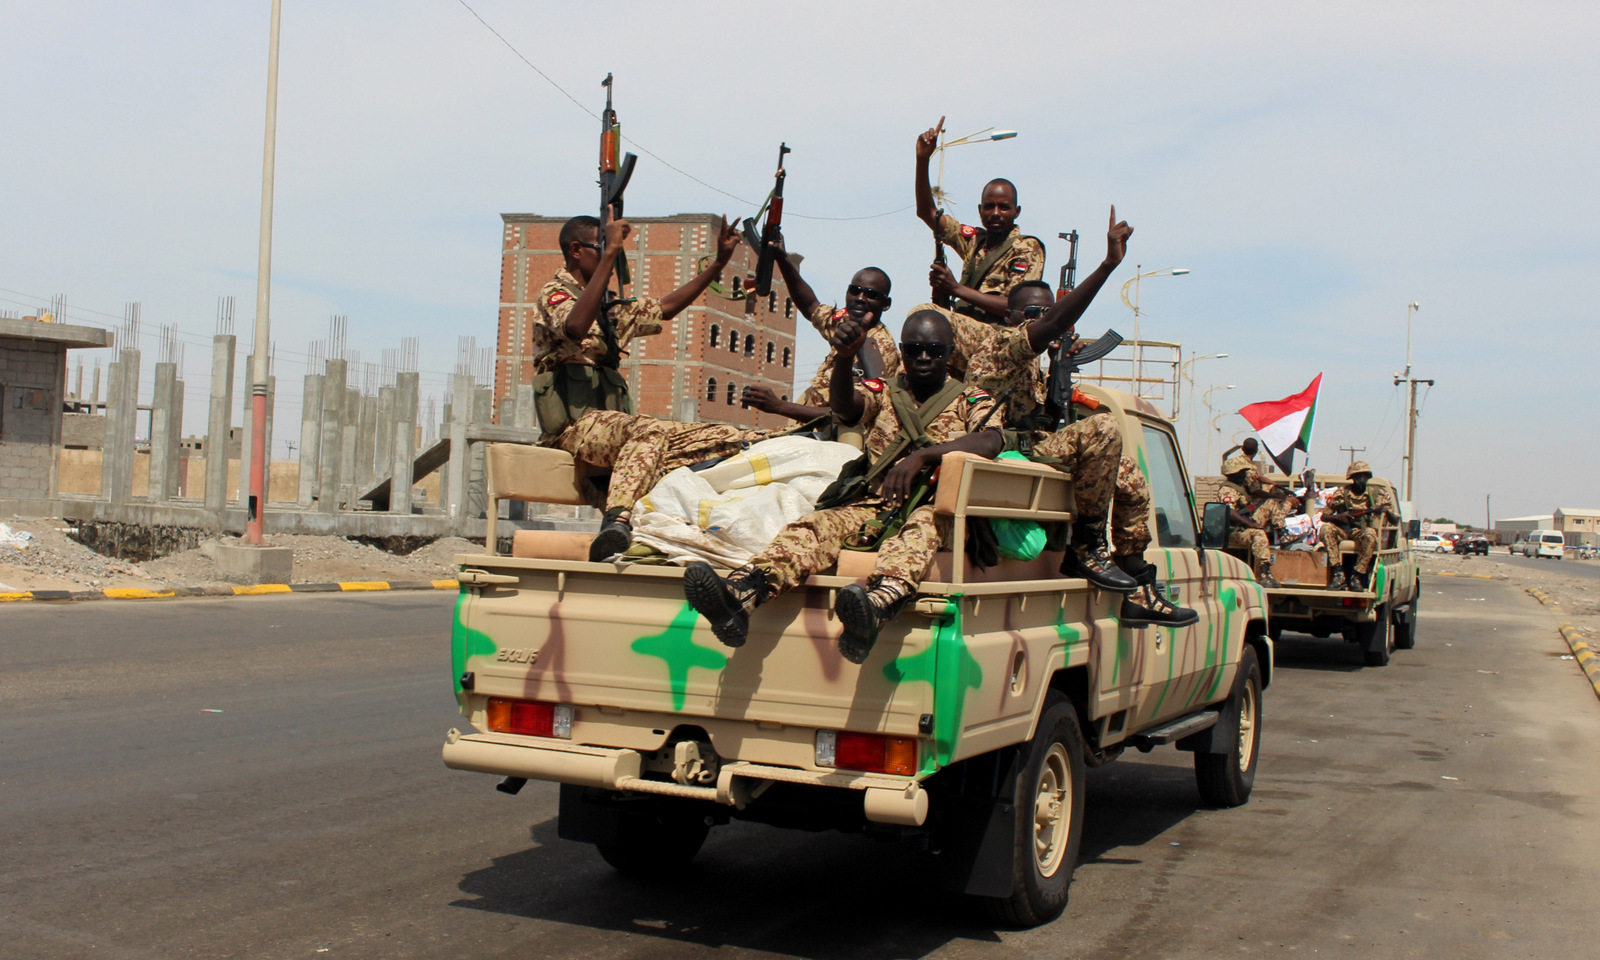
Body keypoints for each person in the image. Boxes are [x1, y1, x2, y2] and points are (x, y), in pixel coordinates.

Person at [684, 309, 1003, 664]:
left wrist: (925, 456)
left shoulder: (971, 400)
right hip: (877, 503)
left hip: (937, 508)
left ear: (949, 352)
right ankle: (743, 593)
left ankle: (878, 606)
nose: (924, 358)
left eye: (934, 350)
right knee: (814, 527)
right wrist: (845, 358)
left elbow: (991, 441)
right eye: (913, 350)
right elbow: (844, 408)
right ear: (903, 349)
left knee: (920, 530)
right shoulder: (882, 392)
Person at [962, 210, 1199, 627]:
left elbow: (1051, 417)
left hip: (1031, 445)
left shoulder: (1038, 362)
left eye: (1045, 311)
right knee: (1105, 428)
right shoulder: (1000, 346)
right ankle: (1086, 546)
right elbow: (1056, 321)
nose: (1041, 320)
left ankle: (1136, 580)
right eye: (1031, 313)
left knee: (1129, 477)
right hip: (999, 446)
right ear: (1011, 318)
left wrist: (1058, 374)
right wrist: (1107, 265)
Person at [532, 214, 766, 562]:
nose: (613, 255)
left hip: (615, 430)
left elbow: (666, 307)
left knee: (719, 437)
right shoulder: (555, 295)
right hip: (574, 428)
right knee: (650, 430)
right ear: (577, 251)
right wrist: (611, 254)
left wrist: (719, 262)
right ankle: (617, 520)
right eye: (603, 246)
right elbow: (576, 326)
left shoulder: (608, 309)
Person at [739, 231, 901, 422]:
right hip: (813, 429)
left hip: (841, 439)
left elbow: (848, 414)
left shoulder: (879, 349)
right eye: (855, 291)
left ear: (886, 304)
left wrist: (778, 406)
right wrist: (782, 258)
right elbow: (810, 306)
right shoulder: (846, 322)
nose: (860, 299)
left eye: (871, 294)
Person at [914, 119, 1044, 324]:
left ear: (1016, 212)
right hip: (965, 327)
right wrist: (922, 161)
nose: (995, 213)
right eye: (989, 206)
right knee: (922, 317)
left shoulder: (1026, 248)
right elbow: (927, 213)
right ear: (980, 210)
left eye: (1004, 207)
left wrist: (955, 288)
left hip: (997, 337)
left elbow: (1017, 308)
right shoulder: (974, 241)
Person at [1316, 461, 1400, 590]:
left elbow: (1394, 521)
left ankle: (1357, 575)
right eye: (1359, 476)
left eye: (1365, 476)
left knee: (1371, 534)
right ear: (1352, 478)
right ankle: (1338, 573)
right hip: (1344, 530)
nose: (1363, 479)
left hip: (1361, 531)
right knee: (1326, 529)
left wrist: (1385, 510)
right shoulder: (1342, 493)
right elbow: (1325, 516)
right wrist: (1339, 517)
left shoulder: (1376, 494)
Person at [1217, 456, 1280, 586]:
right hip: (1234, 532)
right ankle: (1263, 573)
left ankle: (1281, 531)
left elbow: (1258, 494)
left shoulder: (1243, 487)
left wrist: (1277, 495)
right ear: (1234, 474)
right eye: (1241, 472)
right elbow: (1229, 512)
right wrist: (1252, 525)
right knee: (1258, 535)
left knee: (1274, 502)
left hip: (1246, 524)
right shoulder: (1227, 490)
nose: (1244, 475)